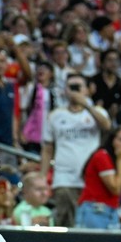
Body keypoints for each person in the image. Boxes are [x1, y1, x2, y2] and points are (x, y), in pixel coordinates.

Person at [42, 72, 111, 227]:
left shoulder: (97, 112)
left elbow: (107, 126)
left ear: (87, 90)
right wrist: (43, 176)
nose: (75, 90)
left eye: (78, 87)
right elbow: (47, 149)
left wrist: (86, 104)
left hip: (91, 179)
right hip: (64, 177)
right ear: (65, 90)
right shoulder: (55, 115)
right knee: (64, 223)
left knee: (89, 225)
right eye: (71, 87)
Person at [77, 127, 121, 230]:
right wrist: (120, 159)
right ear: (112, 141)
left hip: (112, 211)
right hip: (94, 210)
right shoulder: (101, 156)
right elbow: (115, 189)